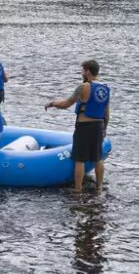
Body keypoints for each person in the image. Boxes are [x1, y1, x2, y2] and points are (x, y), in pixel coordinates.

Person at [44, 59, 110, 191]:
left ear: (88, 71)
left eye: (83, 70)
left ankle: (78, 190)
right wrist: (104, 128)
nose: (81, 73)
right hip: (98, 126)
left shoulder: (83, 87)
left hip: (84, 127)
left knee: (79, 160)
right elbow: (107, 112)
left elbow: (66, 104)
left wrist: (52, 103)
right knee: (98, 158)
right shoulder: (105, 88)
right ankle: (99, 187)